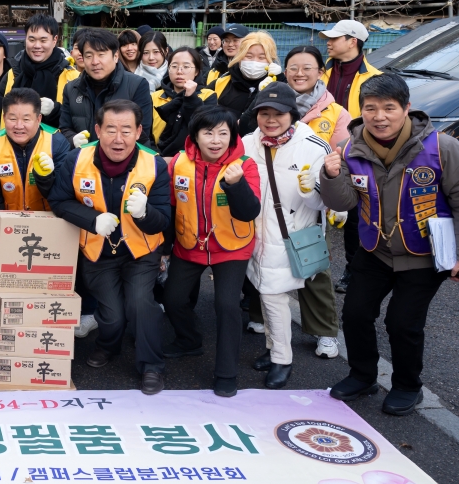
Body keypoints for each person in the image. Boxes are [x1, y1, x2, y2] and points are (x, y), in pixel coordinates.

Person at [319, 74, 459, 415]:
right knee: (355, 313)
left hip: (423, 254)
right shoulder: (352, 148)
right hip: (374, 249)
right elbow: (344, 203)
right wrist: (332, 176)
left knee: (402, 323)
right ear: (361, 111)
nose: (380, 116)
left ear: (406, 109)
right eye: (371, 108)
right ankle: (362, 376)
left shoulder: (442, 148)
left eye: (389, 108)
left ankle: (409, 386)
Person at [49, 99, 172, 393]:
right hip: (97, 250)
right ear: (97, 130)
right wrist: (92, 220)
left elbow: (163, 220)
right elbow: (59, 200)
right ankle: (108, 344)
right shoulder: (76, 160)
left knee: (141, 304)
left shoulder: (153, 163)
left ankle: (151, 366)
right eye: (111, 130)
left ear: (140, 131)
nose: (119, 139)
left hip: (140, 251)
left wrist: (145, 214)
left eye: (127, 130)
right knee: (112, 315)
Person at [162, 106, 261, 398]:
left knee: (227, 306)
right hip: (189, 242)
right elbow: (169, 207)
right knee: (173, 299)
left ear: (232, 137)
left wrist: (236, 184)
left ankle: (226, 372)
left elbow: (249, 211)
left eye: (222, 133)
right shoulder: (179, 162)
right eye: (208, 133)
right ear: (195, 136)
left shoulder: (245, 165)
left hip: (231, 245)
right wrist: (165, 250)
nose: (215, 140)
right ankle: (189, 340)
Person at [241, 84, 331, 389]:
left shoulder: (313, 146)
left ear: (292, 114)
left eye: (278, 113)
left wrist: (313, 190)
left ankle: (282, 358)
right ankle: (272, 348)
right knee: (266, 293)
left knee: (272, 296)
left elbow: (324, 205)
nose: (271, 119)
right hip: (254, 235)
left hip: (290, 236)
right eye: (264, 113)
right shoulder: (246, 144)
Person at [264, 45, 351, 358]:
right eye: (293, 68)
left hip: (309, 197)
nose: (299, 74)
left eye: (307, 68)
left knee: (311, 267)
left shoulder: (335, 112)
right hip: (273, 196)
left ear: (320, 72)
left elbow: (344, 157)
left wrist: (332, 196)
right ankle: (261, 321)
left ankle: (325, 332)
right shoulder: (270, 98)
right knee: (264, 263)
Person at [319, 19, 383, 293]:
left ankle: (352, 269)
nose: (328, 42)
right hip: (319, 150)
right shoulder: (320, 72)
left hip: (357, 154)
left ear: (353, 41)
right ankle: (308, 268)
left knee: (356, 215)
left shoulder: (375, 78)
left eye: (335, 38)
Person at [59, 28, 153, 148]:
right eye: (89, 56)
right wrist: (73, 140)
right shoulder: (71, 88)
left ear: (115, 56)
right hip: (84, 160)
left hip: (127, 161)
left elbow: (142, 131)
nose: (95, 62)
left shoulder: (137, 85)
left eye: (101, 55)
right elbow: (65, 127)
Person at [0, 87, 71, 211]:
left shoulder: (56, 143)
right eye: (12, 119)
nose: (19, 126)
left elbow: (63, 195)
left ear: (38, 119)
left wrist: (46, 177)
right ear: (3, 118)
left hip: (48, 220)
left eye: (26, 119)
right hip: (7, 222)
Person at [11, 14, 78, 128]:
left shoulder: (72, 76)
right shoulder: (13, 73)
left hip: (57, 143)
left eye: (43, 40)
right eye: (32, 39)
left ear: (54, 40)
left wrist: (55, 110)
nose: (37, 46)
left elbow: (79, 118)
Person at [151, 47, 215, 156]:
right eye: (174, 66)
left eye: (186, 67)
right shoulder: (154, 97)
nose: (179, 71)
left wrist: (191, 98)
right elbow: (145, 132)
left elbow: (204, 127)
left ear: (197, 72)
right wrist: (156, 157)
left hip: (192, 159)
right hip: (157, 158)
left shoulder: (208, 95)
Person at [212, 30, 280, 133]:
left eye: (261, 57)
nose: (254, 62)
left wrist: (279, 79)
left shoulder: (277, 86)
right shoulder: (223, 81)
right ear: (239, 56)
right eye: (248, 56)